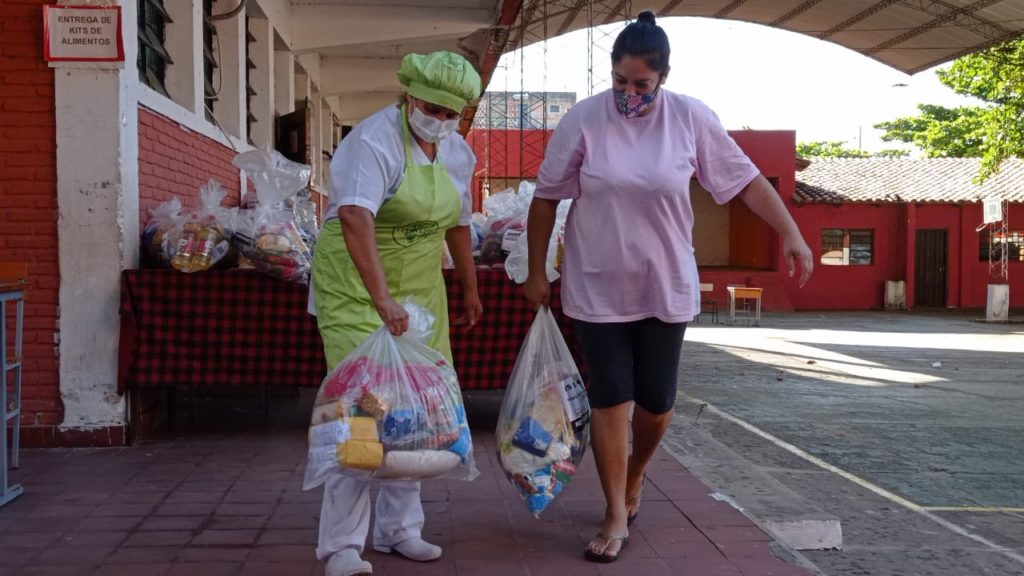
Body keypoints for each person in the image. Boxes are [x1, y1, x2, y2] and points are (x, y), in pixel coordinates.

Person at [522, 11, 814, 564]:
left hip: (665, 283)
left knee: (656, 404)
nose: (629, 95)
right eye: (619, 83)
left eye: (641, 85)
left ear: (663, 77)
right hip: (596, 283)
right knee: (611, 399)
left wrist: (792, 234)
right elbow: (546, 198)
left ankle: (635, 474)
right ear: (609, 75)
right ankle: (613, 511)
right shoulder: (583, 121)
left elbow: (746, 182)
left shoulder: (690, 119)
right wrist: (538, 272)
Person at [308, 51, 483, 576]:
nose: (443, 121)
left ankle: (399, 530)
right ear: (409, 96)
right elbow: (357, 217)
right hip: (357, 288)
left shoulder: (456, 153)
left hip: (420, 288)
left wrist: (468, 289)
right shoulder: (374, 139)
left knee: (416, 411)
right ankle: (340, 546)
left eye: (454, 114)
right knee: (364, 412)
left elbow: (458, 224)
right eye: (434, 108)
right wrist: (381, 299)